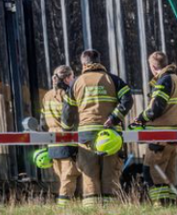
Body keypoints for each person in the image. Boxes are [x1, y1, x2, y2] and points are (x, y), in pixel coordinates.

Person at [65, 50, 133, 206]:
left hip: (86, 135)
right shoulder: (113, 80)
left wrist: (67, 129)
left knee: (89, 172)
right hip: (110, 134)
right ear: (100, 61)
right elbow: (128, 100)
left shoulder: (77, 82)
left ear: (83, 64)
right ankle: (111, 209)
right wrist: (114, 117)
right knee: (110, 171)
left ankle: (92, 210)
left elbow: (68, 111)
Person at [132, 51, 177, 205]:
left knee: (151, 171)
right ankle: (171, 203)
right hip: (173, 135)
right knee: (168, 173)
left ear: (153, 66)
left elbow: (156, 108)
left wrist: (139, 119)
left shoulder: (164, 81)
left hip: (159, 136)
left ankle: (160, 204)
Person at [41, 65, 80, 206]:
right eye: (72, 76)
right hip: (67, 141)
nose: (74, 79)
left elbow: (42, 122)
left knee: (62, 176)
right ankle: (63, 208)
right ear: (67, 78)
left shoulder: (47, 96)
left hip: (52, 143)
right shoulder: (68, 94)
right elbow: (72, 116)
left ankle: (70, 204)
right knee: (68, 176)